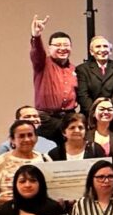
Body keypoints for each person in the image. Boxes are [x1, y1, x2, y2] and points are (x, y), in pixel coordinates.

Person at [0, 119, 51, 215]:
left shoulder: (45, 159)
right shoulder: (1, 162)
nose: (27, 139)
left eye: (30, 135)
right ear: (12, 140)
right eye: (21, 136)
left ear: (36, 138)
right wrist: (14, 201)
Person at [27, 15, 77, 143]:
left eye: (66, 45)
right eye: (58, 45)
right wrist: (36, 36)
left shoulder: (73, 69)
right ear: (49, 48)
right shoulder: (42, 63)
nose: (62, 48)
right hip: (46, 119)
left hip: (69, 117)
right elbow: (37, 52)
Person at [75, 35, 113, 128]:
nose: (102, 49)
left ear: (110, 50)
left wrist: (108, 110)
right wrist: (95, 113)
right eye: (98, 46)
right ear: (91, 52)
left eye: (105, 46)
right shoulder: (82, 69)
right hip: (91, 118)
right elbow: (83, 95)